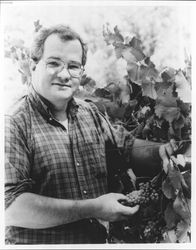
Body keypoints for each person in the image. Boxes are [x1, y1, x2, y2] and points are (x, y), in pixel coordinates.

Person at [5, 24, 178, 244]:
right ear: (33, 66)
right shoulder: (13, 124)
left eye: (73, 66)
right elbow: (9, 207)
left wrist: (162, 151)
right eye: (54, 63)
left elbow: (124, 148)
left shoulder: (89, 113)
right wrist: (93, 208)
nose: (65, 74)